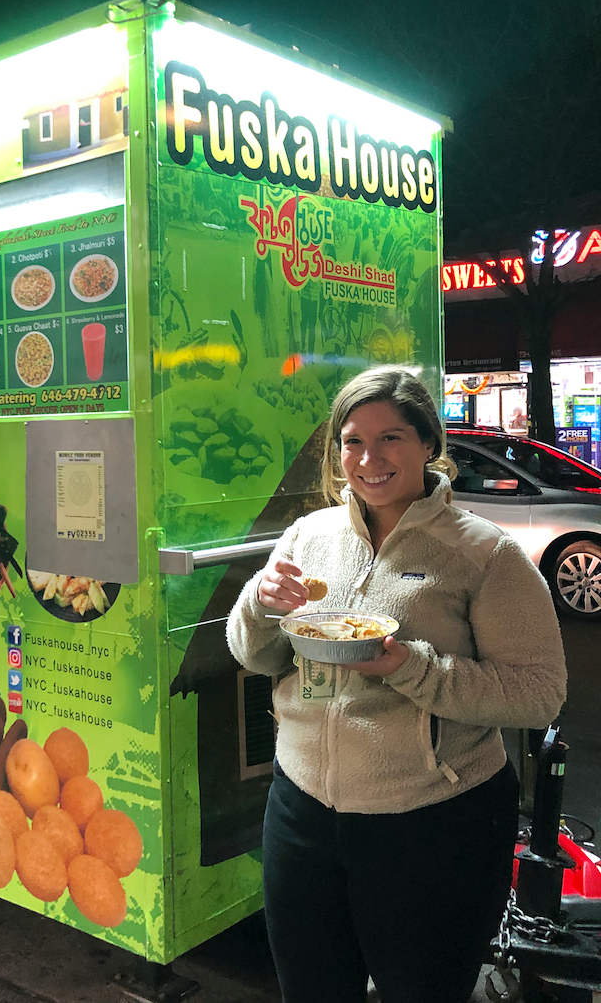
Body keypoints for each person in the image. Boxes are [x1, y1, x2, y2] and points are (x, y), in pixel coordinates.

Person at [226, 365, 566, 1003]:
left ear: (428, 445)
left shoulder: (485, 554)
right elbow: (255, 654)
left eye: (392, 439)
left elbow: (537, 692)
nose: (369, 458)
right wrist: (260, 603)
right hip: (301, 811)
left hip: (432, 823)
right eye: (353, 441)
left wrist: (410, 667)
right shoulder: (309, 535)